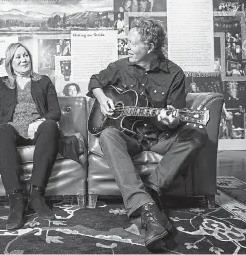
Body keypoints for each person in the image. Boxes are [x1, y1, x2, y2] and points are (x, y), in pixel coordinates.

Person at [87, 18, 208, 252]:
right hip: (130, 138)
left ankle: (151, 191)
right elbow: (95, 81)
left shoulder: (175, 73)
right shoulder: (122, 66)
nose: (127, 47)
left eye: (132, 43)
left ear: (149, 47)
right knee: (107, 135)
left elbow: (175, 117)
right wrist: (103, 100)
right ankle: (147, 207)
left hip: (160, 138)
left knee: (197, 135)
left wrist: (170, 118)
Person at [0, 42, 61, 230]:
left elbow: (55, 112)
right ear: (10, 62)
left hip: (37, 129)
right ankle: (16, 200)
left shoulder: (43, 81)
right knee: (2, 130)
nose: (23, 59)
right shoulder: (2, 83)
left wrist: (40, 122)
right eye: (18, 57)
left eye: (25, 55)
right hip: (13, 129)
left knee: (51, 126)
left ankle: (36, 194)